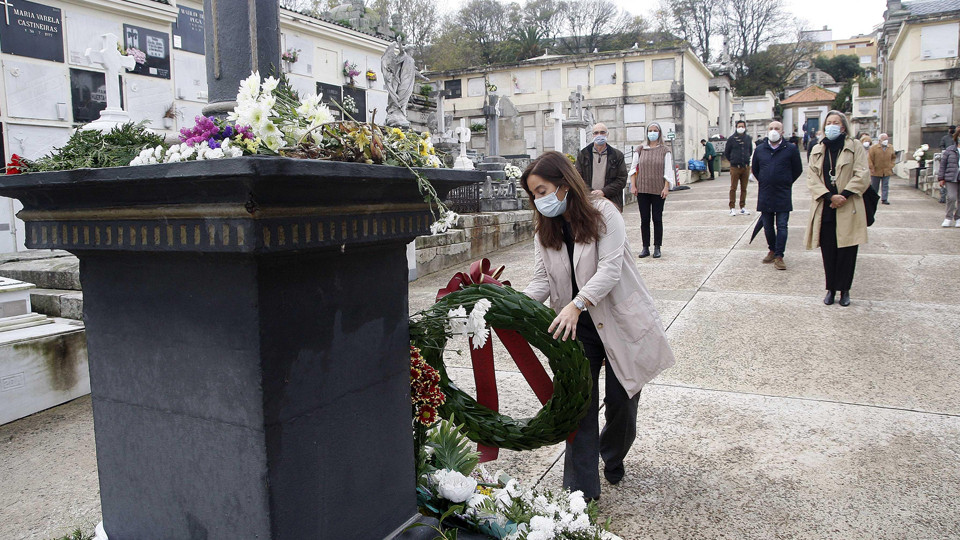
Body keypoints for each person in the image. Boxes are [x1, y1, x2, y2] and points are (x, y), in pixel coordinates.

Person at [520, 151, 675, 501]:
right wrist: (513, 306)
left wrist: (577, 304)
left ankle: (613, 451)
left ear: (564, 184)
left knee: (621, 403)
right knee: (580, 407)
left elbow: (610, 268)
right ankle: (580, 493)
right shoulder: (544, 229)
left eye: (543, 190)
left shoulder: (603, 213)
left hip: (617, 320)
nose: (539, 200)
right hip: (576, 329)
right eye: (534, 195)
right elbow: (541, 280)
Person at [805, 110, 870, 307]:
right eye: (828, 122)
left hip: (848, 205)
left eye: (835, 122)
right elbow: (812, 177)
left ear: (843, 126)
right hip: (826, 206)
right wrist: (828, 196)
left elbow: (863, 174)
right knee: (829, 251)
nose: (831, 125)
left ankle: (845, 290)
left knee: (847, 252)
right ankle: (831, 289)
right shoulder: (817, 149)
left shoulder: (854, 146)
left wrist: (844, 195)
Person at [752, 120, 803, 270]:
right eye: (771, 128)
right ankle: (772, 249)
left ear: (782, 132)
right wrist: (765, 180)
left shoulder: (791, 149)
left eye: (777, 128)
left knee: (782, 225)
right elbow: (755, 169)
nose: (773, 131)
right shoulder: (760, 149)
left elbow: (797, 169)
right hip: (765, 193)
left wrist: (786, 181)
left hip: (782, 193)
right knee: (767, 226)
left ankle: (779, 255)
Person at [628, 122, 674, 258]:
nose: (652, 133)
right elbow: (633, 168)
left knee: (657, 218)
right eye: (650, 130)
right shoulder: (640, 149)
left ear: (659, 133)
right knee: (644, 219)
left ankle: (657, 247)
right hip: (642, 189)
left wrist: (666, 187)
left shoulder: (665, 150)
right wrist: (633, 185)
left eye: (655, 130)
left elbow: (668, 170)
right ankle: (645, 247)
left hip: (658, 189)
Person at [575, 123, 628, 211]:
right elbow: (578, 178)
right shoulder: (583, 154)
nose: (599, 135)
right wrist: (591, 192)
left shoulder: (617, 156)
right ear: (592, 135)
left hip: (611, 201)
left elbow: (622, 179)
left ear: (607, 134)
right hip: (588, 201)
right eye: (596, 133)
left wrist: (604, 191)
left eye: (602, 132)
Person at [724, 120, 753, 216]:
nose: (741, 128)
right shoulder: (732, 139)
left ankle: (742, 206)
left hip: (745, 166)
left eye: (743, 126)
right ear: (736, 127)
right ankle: (732, 207)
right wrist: (733, 160)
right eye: (739, 126)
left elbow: (750, 150)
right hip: (735, 167)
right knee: (733, 188)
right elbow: (727, 152)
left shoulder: (748, 138)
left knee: (744, 188)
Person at [937, 128, 960, 227]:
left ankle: (958, 218)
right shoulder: (950, 150)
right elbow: (943, 165)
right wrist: (941, 178)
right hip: (951, 177)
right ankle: (948, 217)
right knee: (951, 197)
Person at [868, 133, 896, 205]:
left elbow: (893, 157)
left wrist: (891, 165)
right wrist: (871, 167)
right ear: (879, 140)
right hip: (876, 170)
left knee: (885, 185)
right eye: (884, 139)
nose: (886, 141)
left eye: (887, 139)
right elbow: (869, 159)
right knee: (875, 186)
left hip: (886, 170)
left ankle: (884, 199)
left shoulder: (890, 147)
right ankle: (873, 198)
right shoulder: (873, 148)